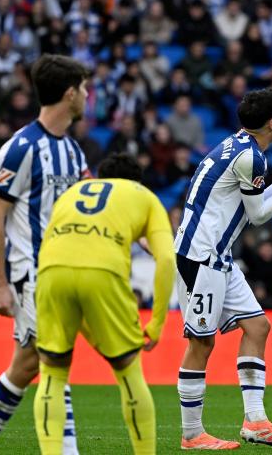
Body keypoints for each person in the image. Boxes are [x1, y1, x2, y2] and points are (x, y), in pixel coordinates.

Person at [173, 88, 272, 450]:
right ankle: (192, 435)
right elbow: (258, 216)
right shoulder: (250, 158)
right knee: (201, 342)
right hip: (200, 255)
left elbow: (249, 204)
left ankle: (255, 421)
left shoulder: (238, 147)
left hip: (218, 256)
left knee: (258, 326)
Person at [33, 153, 175, 455]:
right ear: (135, 181)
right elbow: (165, 259)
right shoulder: (144, 196)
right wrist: (158, 323)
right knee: (128, 370)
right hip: (103, 274)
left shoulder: (72, 192)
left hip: (51, 271)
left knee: (52, 371)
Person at [0, 54, 92, 453]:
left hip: (63, 273)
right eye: (83, 89)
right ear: (70, 94)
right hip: (31, 272)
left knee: (27, 365)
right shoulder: (20, 149)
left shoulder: (72, 150)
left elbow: (90, 199)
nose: (87, 96)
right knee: (54, 363)